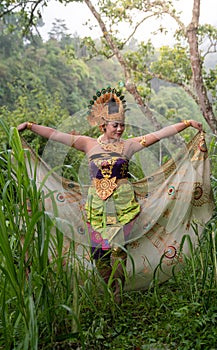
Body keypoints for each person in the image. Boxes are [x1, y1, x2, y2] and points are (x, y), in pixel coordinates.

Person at [17, 86, 203, 303]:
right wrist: (30, 126)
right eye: (116, 125)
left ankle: (117, 296)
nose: (120, 129)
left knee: (118, 250)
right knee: (99, 253)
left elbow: (160, 134)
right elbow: (56, 135)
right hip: (97, 207)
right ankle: (110, 289)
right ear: (104, 125)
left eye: (122, 125)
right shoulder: (88, 144)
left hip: (123, 206)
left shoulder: (130, 145)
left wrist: (187, 124)